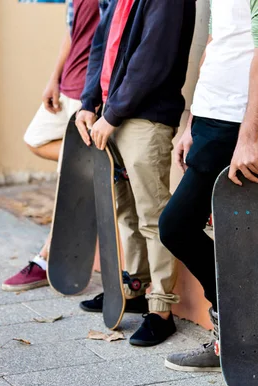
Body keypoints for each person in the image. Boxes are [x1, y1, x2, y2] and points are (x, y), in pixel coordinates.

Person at [159, 0, 258, 371]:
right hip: (210, 117)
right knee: (197, 226)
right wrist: (191, 120)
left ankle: (236, 321)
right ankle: (235, 328)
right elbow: (216, 42)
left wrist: (249, 136)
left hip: (234, 124)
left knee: (175, 226)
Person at [75, 0, 196, 346]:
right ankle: (137, 287)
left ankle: (161, 310)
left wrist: (110, 114)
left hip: (146, 117)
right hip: (112, 112)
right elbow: (101, 43)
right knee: (125, 209)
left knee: (152, 215)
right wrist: (88, 102)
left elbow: (152, 60)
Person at [2, 0, 109, 292]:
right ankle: (98, 162)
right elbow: (71, 32)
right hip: (67, 87)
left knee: (67, 179)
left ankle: (47, 256)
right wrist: (54, 78)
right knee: (35, 139)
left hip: (89, 90)